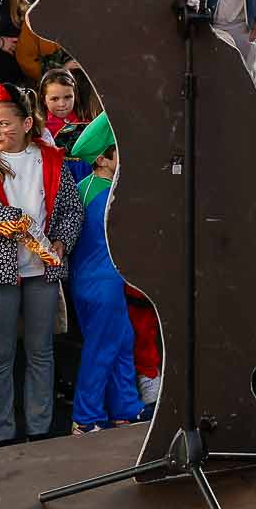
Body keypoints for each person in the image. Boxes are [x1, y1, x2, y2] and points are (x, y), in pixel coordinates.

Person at [0, 80, 81, 443]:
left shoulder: (51, 159)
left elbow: (71, 210)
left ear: (27, 123)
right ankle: (2, 432)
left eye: (4, 123)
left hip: (42, 269)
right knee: (0, 353)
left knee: (41, 351)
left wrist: (60, 241)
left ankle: (40, 428)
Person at [64, 115, 144, 430]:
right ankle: (85, 418)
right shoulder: (109, 196)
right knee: (102, 349)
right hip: (105, 284)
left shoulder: (87, 186)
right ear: (102, 159)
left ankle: (126, 406)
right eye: (118, 151)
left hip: (90, 282)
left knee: (121, 340)